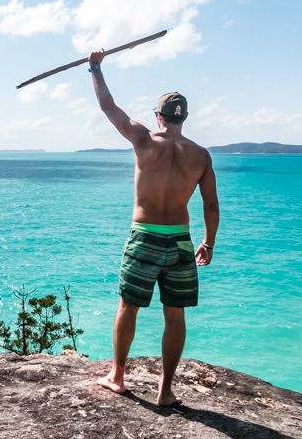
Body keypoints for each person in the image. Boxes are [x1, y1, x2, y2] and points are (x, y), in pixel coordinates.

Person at [87, 48, 219, 406]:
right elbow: (210, 205)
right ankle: (165, 391)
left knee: (128, 307)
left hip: (144, 237)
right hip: (180, 242)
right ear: (184, 117)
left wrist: (95, 68)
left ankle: (117, 377)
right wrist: (208, 242)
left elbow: (108, 107)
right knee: (174, 314)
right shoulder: (201, 155)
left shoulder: (144, 140)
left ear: (158, 116)